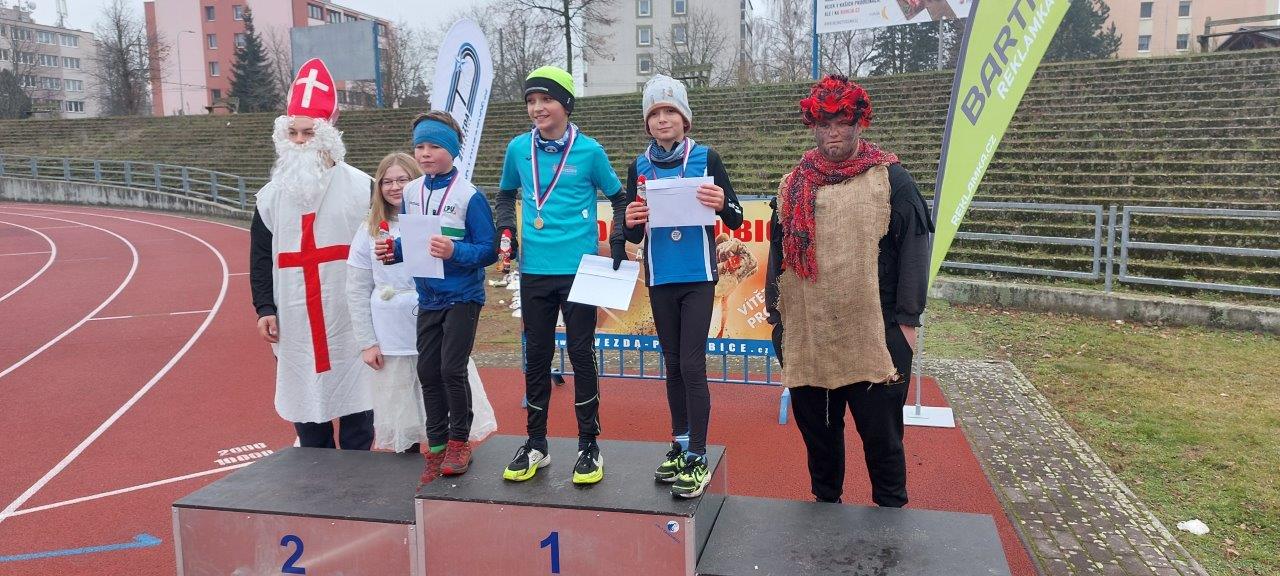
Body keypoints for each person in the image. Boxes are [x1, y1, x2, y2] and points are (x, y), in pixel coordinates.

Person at [766, 74, 932, 507]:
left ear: (860, 124)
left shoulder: (892, 180)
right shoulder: (793, 184)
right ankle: (826, 513)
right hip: (811, 336)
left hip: (874, 335)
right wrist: (777, 320)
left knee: (883, 443)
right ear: (813, 126)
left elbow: (915, 249)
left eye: (842, 122)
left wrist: (907, 323)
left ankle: (891, 517)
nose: (833, 133)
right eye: (824, 124)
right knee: (820, 444)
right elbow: (778, 252)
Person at [494, 66, 627, 485]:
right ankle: (536, 443)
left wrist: (617, 241)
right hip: (534, 270)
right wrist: (506, 230)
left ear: (565, 105)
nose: (538, 108)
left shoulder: (589, 151)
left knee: (582, 354)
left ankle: (589, 445)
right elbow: (504, 195)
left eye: (546, 99)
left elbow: (620, 199)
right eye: (531, 101)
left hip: (580, 270)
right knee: (536, 356)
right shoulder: (518, 148)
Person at [621, 75, 743, 498]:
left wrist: (721, 203)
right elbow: (632, 233)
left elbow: (736, 217)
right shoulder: (639, 167)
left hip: (698, 277)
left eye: (670, 110)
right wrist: (629, 221)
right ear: (647, 122)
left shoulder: (707, 158)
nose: (662, 119)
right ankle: (680, 443)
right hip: (660, 277)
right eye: (654, 112)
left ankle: (699, 455)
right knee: (672, 365)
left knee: (691, 365)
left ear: (685, 118)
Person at [249, 58, 375, 449]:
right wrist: (264, 308)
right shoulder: (271, 196)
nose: (300, 141)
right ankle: (315, 470)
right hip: (294, 315)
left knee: (358, 403)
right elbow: (260, 257)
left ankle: (357, 473)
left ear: (327, 135)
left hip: (348, 313)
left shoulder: (362, 188)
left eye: (308, 133)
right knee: (306, 404)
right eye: (293, 133)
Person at [377, 112, 497, 483]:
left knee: (450, 370)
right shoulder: (412, 192)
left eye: (434, 146)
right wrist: (394, 250)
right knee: (427, 371)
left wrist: (454, 251)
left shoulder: (469, 196)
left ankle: (460, 442)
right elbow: (414, 240)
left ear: (452, 150)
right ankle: (438, 445)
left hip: (462, 295)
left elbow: (489, 249)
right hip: (427, 296)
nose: (425, 154)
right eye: (420, 147)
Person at [345, 152, 429, 455]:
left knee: (439, 403)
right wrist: (367, 342)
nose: (394, 187)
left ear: (416, 181)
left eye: (402, 180)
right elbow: (356, 288)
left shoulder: (428, 221)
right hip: (390, 333)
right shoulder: (368, 229)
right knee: (401, 415)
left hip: (429, 323)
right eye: (387, 181)